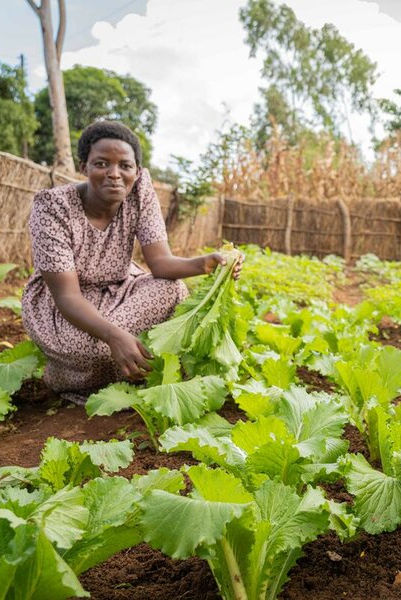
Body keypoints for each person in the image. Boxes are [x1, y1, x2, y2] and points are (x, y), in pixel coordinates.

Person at [22, 121, 242, 405]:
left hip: (119, 289)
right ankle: (62, 377)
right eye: (101, 163)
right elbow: (67, 296)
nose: (114, 174)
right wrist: (114, 336)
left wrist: (206, 263)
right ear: (83, 167)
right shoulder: (52, 207)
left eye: (125, 166)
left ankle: (119, 365)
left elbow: (161, 263)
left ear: (136, 171)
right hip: (63, 307)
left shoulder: (140, 192)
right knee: (95, 348)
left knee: (172, 290)